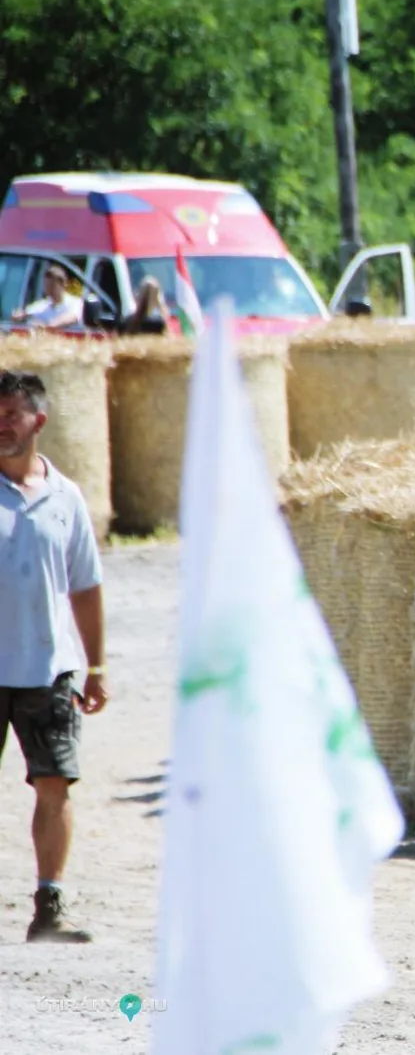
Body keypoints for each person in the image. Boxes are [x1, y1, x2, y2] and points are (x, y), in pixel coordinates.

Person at [0, 370, 108, 943]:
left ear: (37, 421)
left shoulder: (66, 498)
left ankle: (49, 907)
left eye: (11, 414)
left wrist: (97, 667)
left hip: (48, 669)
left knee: (54, 785)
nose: (1, 425)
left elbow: (85, 586)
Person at [11, 265, 84, 329]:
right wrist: (19, 316)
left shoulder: (75, 303)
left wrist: (47, 326)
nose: (49, 290)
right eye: (47, 286)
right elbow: (26, 314)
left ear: (63, 284)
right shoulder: (41, 306)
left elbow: (72, 317)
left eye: (52, 286)